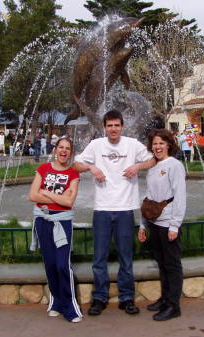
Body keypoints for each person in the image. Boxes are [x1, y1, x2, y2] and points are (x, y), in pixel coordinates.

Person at [73, 109, 154, 316]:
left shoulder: (132, 144)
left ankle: (127, 298)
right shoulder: (96, 145)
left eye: (117, 125)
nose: (113, 129)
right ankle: (99, 297)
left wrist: (137, 166)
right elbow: (75, 164)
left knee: (125, 257)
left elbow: (153, 160)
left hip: (125, 209)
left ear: (122, 126)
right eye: (109, 125)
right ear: (104, 127)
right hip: (102, 209)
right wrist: (92, 168)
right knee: (99, 258)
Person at [28, 137, 82, 323]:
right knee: (50, 264)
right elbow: (32, 195)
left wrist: (46, 193)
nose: (64, 151)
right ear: (55, 149)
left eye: (68, 148)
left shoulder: (73, 174)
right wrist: (58, 197)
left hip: (62, 223)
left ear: (71, 152)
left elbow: (69, 202)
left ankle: (70, 307)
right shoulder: (43, 169)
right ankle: (56, 302)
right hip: (43, 221)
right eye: (61, 147)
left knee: (62, 265)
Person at [138, 129, 186, 321]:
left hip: (168, 224)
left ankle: (173, 306)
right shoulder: (153, 167)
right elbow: (148, 197)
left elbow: (180, 196)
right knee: (162, 264)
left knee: (172, 265)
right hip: (154, 223)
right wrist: (143, 224)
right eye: (155, 144)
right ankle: (165, 299)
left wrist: (175, 225)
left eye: (161, 143)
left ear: (168, 145)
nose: (157, 147)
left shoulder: (174, 165)